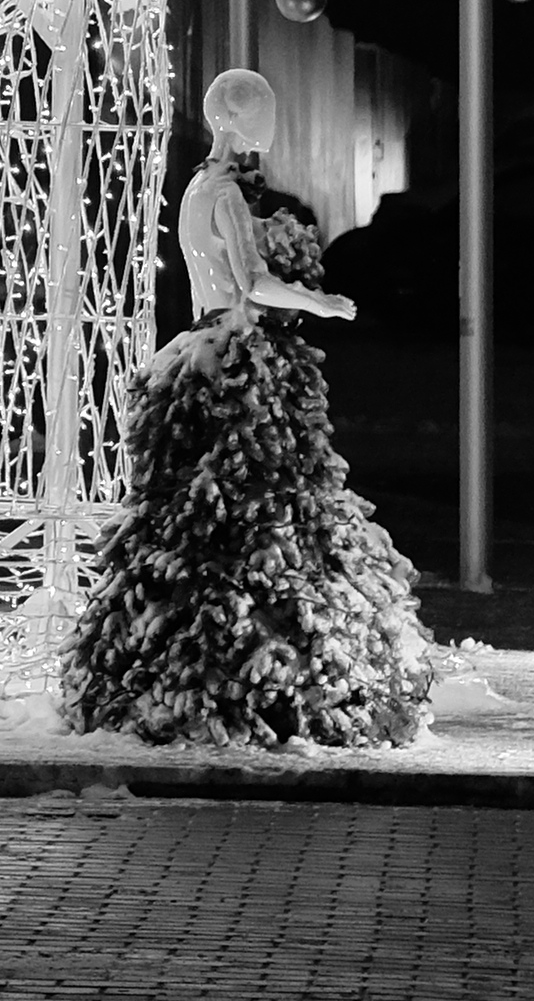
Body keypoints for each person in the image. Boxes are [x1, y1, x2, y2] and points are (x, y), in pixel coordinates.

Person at [59, 64, 435, 750]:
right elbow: (252, 283)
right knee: (261, 496)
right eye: (260, 110)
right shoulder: (225, 194)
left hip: (200, 341)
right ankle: (253, 653)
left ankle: (173, 650)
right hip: (236, 352)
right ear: (233, 119)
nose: (271, 123)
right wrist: (319, 301)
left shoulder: (198, 186)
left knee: (191, 503)